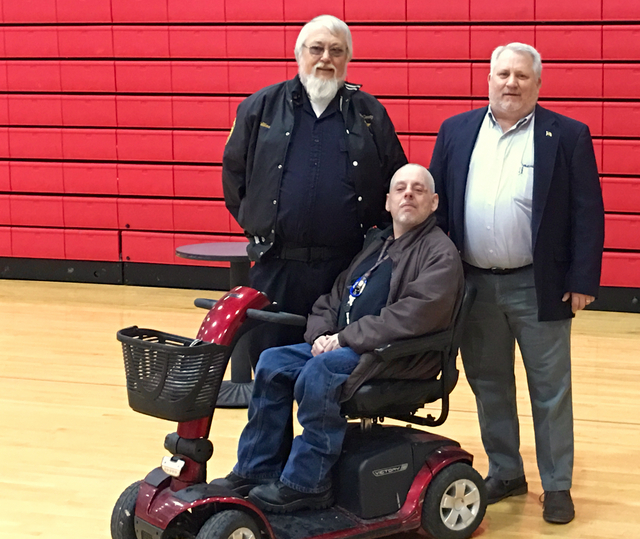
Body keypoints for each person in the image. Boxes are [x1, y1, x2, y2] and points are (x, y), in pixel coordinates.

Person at [213, 164, 464, 513]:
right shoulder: (376, 245)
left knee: (322, 371)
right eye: (400, 188)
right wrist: (320, 335)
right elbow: (334, 297)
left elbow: (412, 316)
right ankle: (258, 468)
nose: (408, 194)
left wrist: (344, 338)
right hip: (349, 345)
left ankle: (307, 483)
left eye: (418, 189)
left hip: (394, 354)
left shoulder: (440, 253)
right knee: (272, 362)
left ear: (433, 202)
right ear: (388, 202)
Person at [429, 43, 605, 524]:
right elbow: (439, 210)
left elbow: (588, 212)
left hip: (540, 285)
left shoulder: (567, 135)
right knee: (489, 384)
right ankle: (506, 471)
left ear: (538, 84)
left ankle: (557, 484)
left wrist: (583, 279)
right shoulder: (455, 131)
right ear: (488, 79)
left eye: (522, 76)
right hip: (474, 286)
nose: (511, 83)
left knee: (550, 390)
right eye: (503, 74)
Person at [223, 15, 407, 364]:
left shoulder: (370, 114)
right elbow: (234, 175)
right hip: (277, 266)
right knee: (271, 363)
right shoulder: (260, 107)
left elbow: (394, 180)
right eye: (317, 49)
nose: (325, 58)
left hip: (347, 269)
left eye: (336, 51)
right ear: (299, 54)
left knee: (334, 367)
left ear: (348, 59)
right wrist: (257, 221)